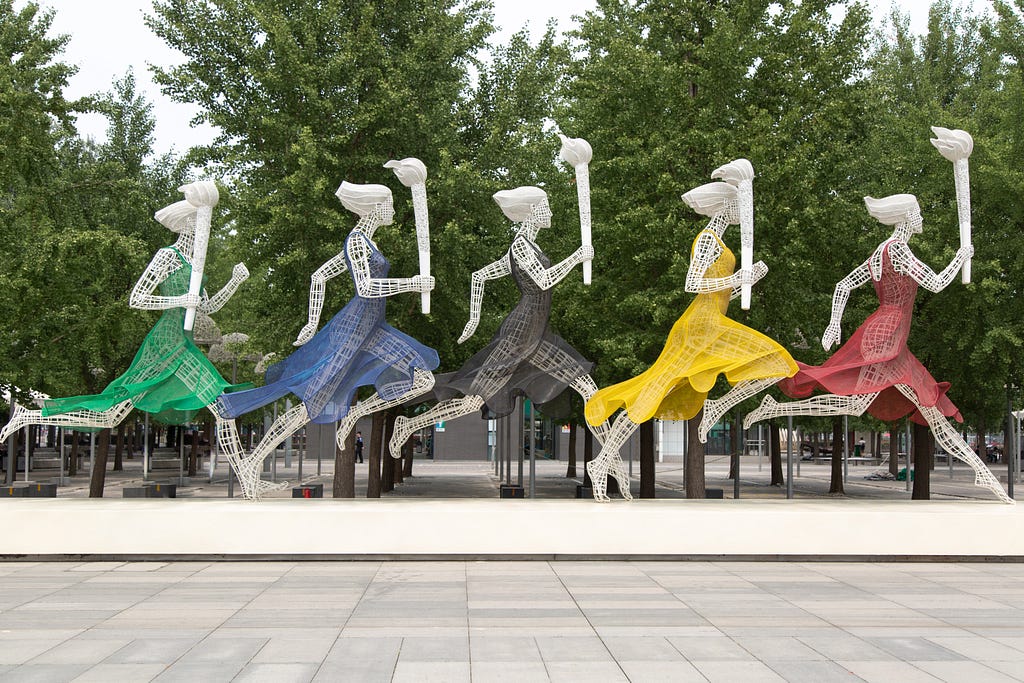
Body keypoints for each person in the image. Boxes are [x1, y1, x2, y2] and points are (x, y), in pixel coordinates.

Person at [743, 130, 1010, 503]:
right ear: (905, 218)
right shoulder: (898, 250)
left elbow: (843, 286)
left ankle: (985, 478)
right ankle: (778, 406)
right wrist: (961, 257)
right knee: (908, 404)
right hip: (887, 335)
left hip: (887, 333)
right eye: (916, 214)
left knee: (919, 404)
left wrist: (834, 323)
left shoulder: (880, 252)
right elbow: (934, 283)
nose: (920, 220)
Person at [213, 171, 438, 499]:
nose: (392, 209)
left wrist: (311, 320)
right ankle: (253, 460)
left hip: (372, 330)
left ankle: (355, 415)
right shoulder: (357, 241)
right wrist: (411, 284)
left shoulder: (366, 241)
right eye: (388, 203)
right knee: (311, 403)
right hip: (353, 332)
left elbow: (320, 276)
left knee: (423, 379)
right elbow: (365, 287)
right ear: (374, 208)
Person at [583, 159, 797, 500]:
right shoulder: (708, 239)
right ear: (727, 205)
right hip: (698, 326)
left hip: (711, 324)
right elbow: (693, 283)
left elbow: (720, 291)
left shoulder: (724, 246)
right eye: (739, 204)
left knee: (777, 361)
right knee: (650, 395)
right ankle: (602, 462)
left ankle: (715, 408)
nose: (744, 211)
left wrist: (745, 282)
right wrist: (738, 277)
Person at [0, 182, 249, 444]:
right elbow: (138, 298)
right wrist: (180, 298)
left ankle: (29, 416)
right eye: (201, 224)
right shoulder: (168, 256)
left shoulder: (194, 265)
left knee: (112, 415)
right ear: (187, 224)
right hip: (167, 341)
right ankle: (29, 416)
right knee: (217, 400)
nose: (205, 231)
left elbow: (206, 308)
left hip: (182, 341)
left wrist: (234, 281)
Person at [387, 185, 607, 459]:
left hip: (537, 336)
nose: (549, 212)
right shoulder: (520, 247)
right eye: (545, 206)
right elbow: (542, 280)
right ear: (531, 211)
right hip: (519, 334)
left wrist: (473, 318)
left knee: (587, 386)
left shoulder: (530, 246)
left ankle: (608, 460)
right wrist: (576, 257)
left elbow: (480, 276)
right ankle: (410, 424)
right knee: (473, 400)